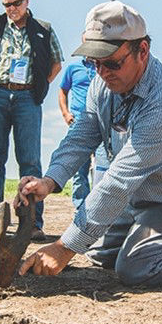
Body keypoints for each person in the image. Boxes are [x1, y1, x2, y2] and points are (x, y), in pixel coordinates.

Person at [16, 0, 162, 286]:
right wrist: (49, 180)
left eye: (112, 63)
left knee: (138, 266)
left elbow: (119, 180)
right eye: (95, 63)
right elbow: (81, 136)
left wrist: (64, 247)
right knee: (97, 252)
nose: (103, 73)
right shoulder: (102, 82)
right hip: (145, 195)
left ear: (142, 51)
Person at [0, 0, 62, 240]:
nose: (12, 9)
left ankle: (31, 222)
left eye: (16, 3)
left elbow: (56, 63)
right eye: (7, 4)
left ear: (27, 1)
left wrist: (40, 86)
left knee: (30, 160)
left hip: (27, 97)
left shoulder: (43, 29)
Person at [58, 53, 109, 210]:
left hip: (103, 122)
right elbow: (62, 90)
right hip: (79, 120)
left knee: (103, 166)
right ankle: (80, 209)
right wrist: (66, 113)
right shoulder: (73, 68)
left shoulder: (106, 65)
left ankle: (98, 207)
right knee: (79, 168)